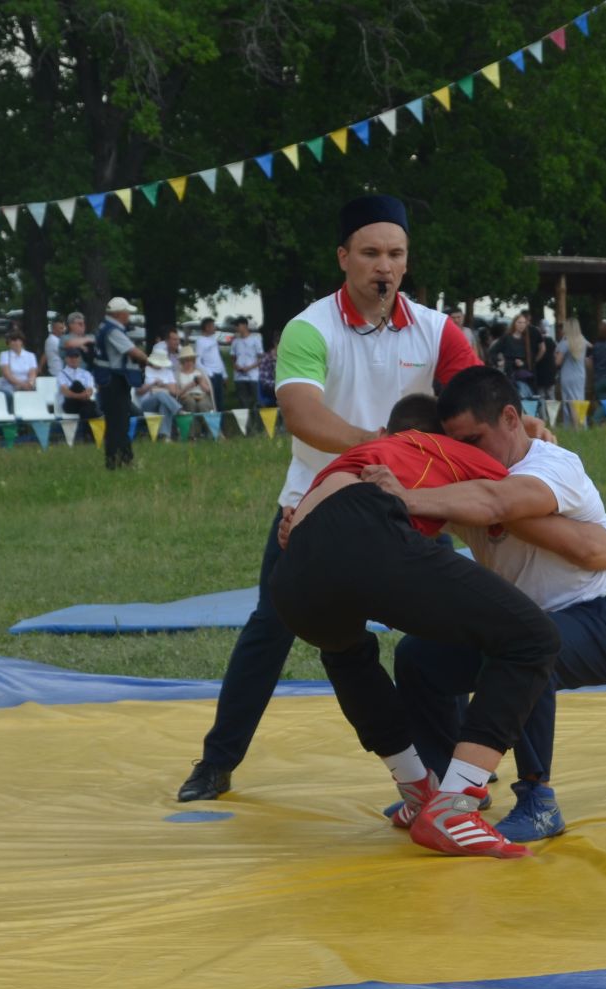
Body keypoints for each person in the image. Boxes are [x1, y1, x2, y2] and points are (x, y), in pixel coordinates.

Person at [177, 194, 489, 803]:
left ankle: (455, 766)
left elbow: (478, 402)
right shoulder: (309, 327)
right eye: (370, 253)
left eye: (395, 254)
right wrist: (380, 448)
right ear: (343, 257)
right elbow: (301, 413)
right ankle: (216, 762)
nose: (384, 266)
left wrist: (525, 433)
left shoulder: (436, 329)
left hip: (412, 506)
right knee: (270, 632)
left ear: (407, 260)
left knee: (450, 627)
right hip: (315, 510)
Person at [273, 392, 606, 858]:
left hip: (293, 573)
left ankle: (419, 789)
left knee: (348, 652)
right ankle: (456, 803)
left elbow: (307, 530)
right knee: (530, 639)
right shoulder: (447, 453)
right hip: (366, 534)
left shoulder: (355, 460)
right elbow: (498, 505)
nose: (472, 447)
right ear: (433, 438)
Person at [368, 369, 606, 844]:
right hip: (529, 626)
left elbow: (499, 503)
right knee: (417, 657)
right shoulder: (466, 476)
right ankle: (451, 788)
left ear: (510, 418)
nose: (466, 454)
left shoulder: (553, 465)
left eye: (475, 439)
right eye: (456, 444)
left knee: (528, 647)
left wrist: (408, 495)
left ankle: (538, 800)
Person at [92, 298, 153, 468]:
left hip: (110, 380)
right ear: (119, 314)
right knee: (118, 423)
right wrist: (150, 361)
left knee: (117, 423)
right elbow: (132, 351)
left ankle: (119, 459)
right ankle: (120, 460)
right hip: (114, 381)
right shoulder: (114, 331)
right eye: (127, 312)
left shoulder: (106, 327)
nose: (129, 316)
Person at [136, 347, 183, 432]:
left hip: (165, 401)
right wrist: (151, 384)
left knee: (163, 405)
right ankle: (178, 410)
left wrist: (164, 385)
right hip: (147, 403)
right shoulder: (144, 371)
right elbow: (138, 391)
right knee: (160, 395)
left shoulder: (168, 372)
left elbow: (174, 391)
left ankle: (165, 436)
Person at [496, 312, 537, 402]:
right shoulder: (506, 338)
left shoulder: (526, 339)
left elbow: (530, 359)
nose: (522, 325)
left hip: (523, 375)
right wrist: (500, 361)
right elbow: (493, 352)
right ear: (514, 323)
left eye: (524, 323)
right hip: (509, 373)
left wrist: (522, 363)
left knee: (525, 397)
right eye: (519, 322)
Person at [56, 345, 100, 422]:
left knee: (85, 410)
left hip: (83, 403)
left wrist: (84, 395)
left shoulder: (86, 373)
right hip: (70, 403)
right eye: (71, 357)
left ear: (80, 358)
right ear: (66, 359)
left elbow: (90, 390)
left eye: (76, 357)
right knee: (77, 384)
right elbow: (65, 391)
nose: (74, 359)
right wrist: (80, 396)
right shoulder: (61, 374)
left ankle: (84, 432)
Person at [230, 317, 266, 408]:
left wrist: (249, 367)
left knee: (257, 400)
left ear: (245, 325)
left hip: (253, 375)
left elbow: (261, 358)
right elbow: (233, 357)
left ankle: (260, 420)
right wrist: (236, 366)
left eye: (237, 325)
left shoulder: (255, 339)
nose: (236, 328)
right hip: (239, 376)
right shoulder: (235, 341)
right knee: (243, 401)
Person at [194, 317, 228, 409]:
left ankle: (221, 422)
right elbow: (197, 361)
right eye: (213, 326)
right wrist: (208, 372)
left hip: (219, 373)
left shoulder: (213, 339)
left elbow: (218, 357)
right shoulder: (200, 341)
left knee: (220, 400)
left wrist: (224, 374)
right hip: (211, 374)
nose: (215, 328)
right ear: (207, 327)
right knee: (213, 400)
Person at [0, 329, 39, 405]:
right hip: (10, 385)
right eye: (12, 341)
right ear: (8, 343)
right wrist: (22, 385)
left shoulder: (30, 355)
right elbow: (7, 375)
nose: (14, 342)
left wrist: (30, 383)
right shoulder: (4, 355)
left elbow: (32, 373)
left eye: (17, 340)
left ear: (21, 341)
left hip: (27, 385)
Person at [172, 345, 216, 414]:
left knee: (203, 404)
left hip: (201, 396)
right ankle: (191, 424)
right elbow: (177, 394)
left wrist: (201, 383)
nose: (189, 362)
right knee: (190, 402)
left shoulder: (200, 372)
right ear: (182, 362)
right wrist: (189, 386)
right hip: (186, 397)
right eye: (186, 360)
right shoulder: (177, 375)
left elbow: (208, 390)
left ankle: (206, 423)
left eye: (191, 360)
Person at [556, 317, 589, 405]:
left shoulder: (565, 342)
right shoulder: (582, 340)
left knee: (569, 402)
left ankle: (572, 419)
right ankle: (581, 418)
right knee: (579, 401)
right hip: (580, 375)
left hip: (568, 375)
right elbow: (591, 346)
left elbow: (557, 362)